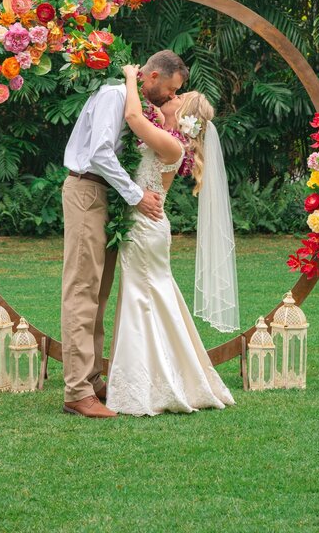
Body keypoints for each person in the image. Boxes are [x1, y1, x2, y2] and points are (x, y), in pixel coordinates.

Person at [60, 49, 188, 418]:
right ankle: (76, 391)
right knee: (82, 289)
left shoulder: (139, 105)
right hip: (88, 190)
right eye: (168, 89)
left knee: (99, 292)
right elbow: (100, 152)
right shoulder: (113, 95)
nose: (169, 97)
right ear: (150, 76)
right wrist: (136, 196)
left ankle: (92, 378)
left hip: (109, 196)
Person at [105, 64, 238, 417]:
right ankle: (160, 376)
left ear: (181, 116)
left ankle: (144, 386)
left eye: (178, 97)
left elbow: (133, 114)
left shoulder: (171, 145)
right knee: (153, 298)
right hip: (145, 226)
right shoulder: (164, 137)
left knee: (142, 298)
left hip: (145, 229)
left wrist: (131, 75)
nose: (171, 96)